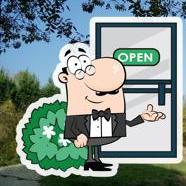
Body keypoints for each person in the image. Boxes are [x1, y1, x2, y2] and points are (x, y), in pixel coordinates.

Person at [57, 43, 166, 172]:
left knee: (95, 144)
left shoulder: (113, 115)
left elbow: (128, 123)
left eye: (114, 92)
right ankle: (89, 161)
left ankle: (95, 161)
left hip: (101, 134)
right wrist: (77, 136)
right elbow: (71, 128)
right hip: (85, 136)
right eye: (99, 93)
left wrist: (142, 117)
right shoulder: (77, 114)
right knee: (92, 143)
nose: (104, 97)